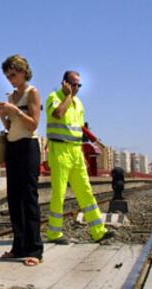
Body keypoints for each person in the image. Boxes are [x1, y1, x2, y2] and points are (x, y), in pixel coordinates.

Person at [46, 70, 115, 244]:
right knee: (59, 193)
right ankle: (54, 233)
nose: (77, 88)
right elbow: (58, 114)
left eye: (79, 85)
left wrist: (82, 154)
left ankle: (98, 231)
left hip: (76, 152)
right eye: (74, 84)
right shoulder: (54, 97)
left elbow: (78, 131)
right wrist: (68, 96)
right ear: (65, 83)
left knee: (86, 191)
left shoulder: (79, 104)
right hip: (60, 151)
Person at [0, 55, 43, 266]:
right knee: (14, 199)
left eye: (13, 75)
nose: (11, 79)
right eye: (8, 76)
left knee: (29, 198)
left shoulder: (32, 93)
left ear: (23, 72)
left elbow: (33, 124)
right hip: (13, 146)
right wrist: (2, 116)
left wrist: (15, 111)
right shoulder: (11, 95)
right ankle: (19, 246)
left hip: (28, 147)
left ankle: (35, 249)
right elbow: (10, 126)